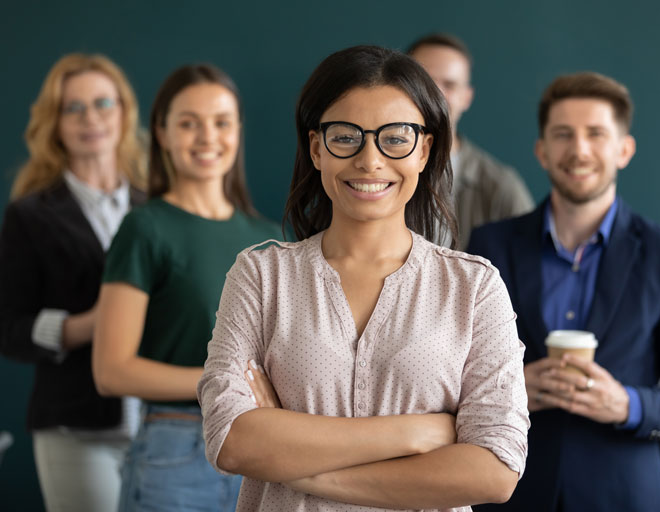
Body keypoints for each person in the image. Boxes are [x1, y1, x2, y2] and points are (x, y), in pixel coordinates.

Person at [198, 45, 529, 511]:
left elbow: (495, 470)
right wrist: (417, 432)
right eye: (345, 136)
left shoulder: (474, 288)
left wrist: (297, 460)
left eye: (395, 138)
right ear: (317, 148)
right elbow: (232, 440)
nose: (370, 160)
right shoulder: (260, 275)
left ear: (424, 150)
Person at [467, 71, 660, 512]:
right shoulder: (489, 245)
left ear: (624, 150)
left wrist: (628, 404)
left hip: (624, 494)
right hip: (508, 493)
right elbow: (449, 376)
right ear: (542, 151)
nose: (579, 149)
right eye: (563, 134)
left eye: (596, 134)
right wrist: (512, 386)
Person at [92, 64, 281, 512]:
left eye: (220, 122)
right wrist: (226, 382)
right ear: (161, 132)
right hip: (174, 450)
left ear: (238, 130)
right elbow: (111, 370)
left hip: (265, 448)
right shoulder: (145, 228)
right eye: (188, 123)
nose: (206, 137)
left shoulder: (272, 239)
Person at [0, 53, 146, 512]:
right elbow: (9, 329)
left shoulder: (157, 206)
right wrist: (87, 324)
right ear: (55, 123)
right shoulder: (30, 215)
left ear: (124, 112)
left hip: (162, 424)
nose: (91, 118)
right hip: (75, 428)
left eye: (103, 103)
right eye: (73, 108)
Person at [407, 33, 533, 249]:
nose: (436, 93)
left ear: (467, 97)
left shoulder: (501, 187)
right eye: (425, 81)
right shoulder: (372, 172)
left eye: (449, 84)